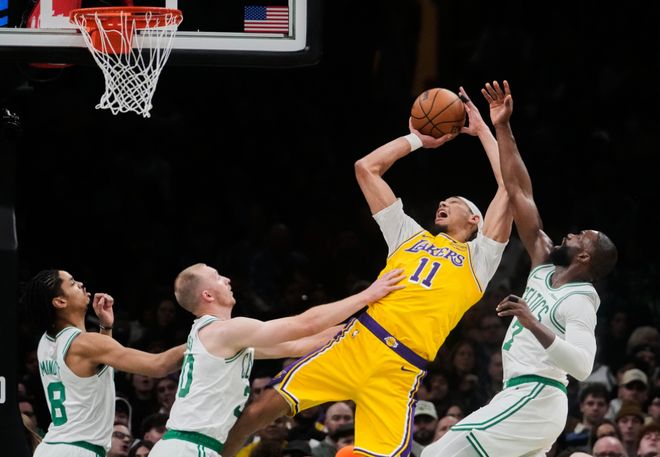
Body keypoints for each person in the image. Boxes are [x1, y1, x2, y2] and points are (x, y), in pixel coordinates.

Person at [222, 86, 513, 457]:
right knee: (262, 409)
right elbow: (366, 169)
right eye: (443, 199)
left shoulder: (480, 258)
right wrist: (417, 139)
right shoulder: (409, 236)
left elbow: (510, 186)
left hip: (401, 368)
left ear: (475, 219)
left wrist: (487, 130)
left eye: (453, 201)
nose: (443, 201)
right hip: (357, 343)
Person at [423, 80, 618, 457]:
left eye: (580, 237)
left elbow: (582, 366)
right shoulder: (544, 262)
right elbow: (518, 191)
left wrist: (531, 322)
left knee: (438, 454)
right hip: (520, 396)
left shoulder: (579, 300)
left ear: (584, 258)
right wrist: (500, 127)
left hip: (538, 396)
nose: (571, 234)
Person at [149, 263, 404, 457]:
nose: (226, 279)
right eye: (217, 277)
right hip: (189, 448)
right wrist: (368, 294)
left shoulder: (224, 339)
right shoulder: (224, 331)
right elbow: (305, 324)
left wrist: (370, 325)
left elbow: (299, 345)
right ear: (207, 295)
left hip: (190, 447)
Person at [23, 269, 186, 457]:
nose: (81, 284)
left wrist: (106, 327)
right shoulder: (85, 344)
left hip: (52, 447)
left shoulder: (45, 343)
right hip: (78, 450)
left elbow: (92, 371)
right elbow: (159, 365)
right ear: (60, 302)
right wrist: (203, 336)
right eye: (73, 283)